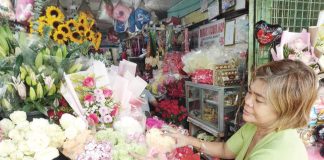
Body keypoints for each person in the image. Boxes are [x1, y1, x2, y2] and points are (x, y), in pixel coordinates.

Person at [164, 59, 318, 160]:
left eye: (259, 99)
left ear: (286, 109)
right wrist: (187, 140)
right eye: (250, 92)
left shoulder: (278, 154)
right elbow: (226, 150)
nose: (248, 101)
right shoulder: (256, 126)